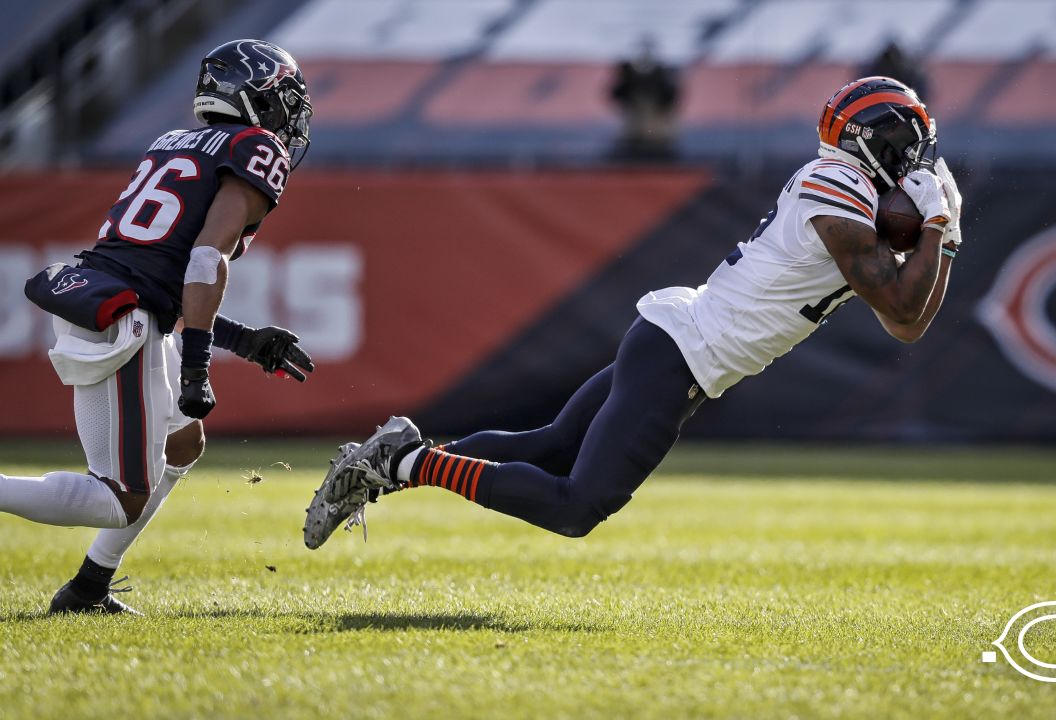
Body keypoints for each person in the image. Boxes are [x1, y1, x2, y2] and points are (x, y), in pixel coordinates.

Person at [303, 77, 963, 549]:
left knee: (549, 446)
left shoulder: (842, 185)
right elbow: (905, 315)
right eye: (912, 140)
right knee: (576, 508)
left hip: (680, 342)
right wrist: (938, 225)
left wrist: (940, 233)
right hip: (683, 351)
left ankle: (392, 461)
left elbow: (908, 315)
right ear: (882, 141)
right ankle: (403, 463)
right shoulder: (839, 187)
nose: (920, 155)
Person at [0, 39, 317, 614]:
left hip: (117, 301)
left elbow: (168, 278)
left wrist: (241, 341)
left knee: (181, 442)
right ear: (259, 99)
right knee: (119, 498)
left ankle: (89, 586)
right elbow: (203, 261)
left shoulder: (175, 143)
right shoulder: (258, 146)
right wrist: (197, 367)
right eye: (285, 99)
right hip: (126, 321)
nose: (290, 115)